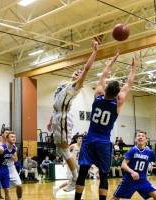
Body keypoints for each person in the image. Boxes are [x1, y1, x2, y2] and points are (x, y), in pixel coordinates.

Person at [75, 52, 137, 200]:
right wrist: (133, 67)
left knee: (82, 172)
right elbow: (129, 84)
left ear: (106, 89)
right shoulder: (118, 102)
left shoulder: (97, 96)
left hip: (89, 140)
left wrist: (113, 60)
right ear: (117, 94)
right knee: (103, 174)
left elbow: (103, 75)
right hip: (103, 142)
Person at [47, 38, 100, 192]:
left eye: (80, 74)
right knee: (59, 150)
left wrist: (94, 51)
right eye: (76, 72)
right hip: (57, 116)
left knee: (63, 150)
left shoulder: (75, 88)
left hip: (64, 118)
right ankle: (74, 177)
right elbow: (55, 101)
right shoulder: (62, 84)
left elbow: (86, 68)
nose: (78, 73)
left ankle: (75, 179)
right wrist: (51, 119)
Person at [111, 131, 156, 200]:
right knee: (115, 198)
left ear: (146, 140)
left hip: (142, 181)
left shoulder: (150, 152)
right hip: (129, 181)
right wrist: (132, 172)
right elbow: (123, 165)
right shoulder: (132, 150)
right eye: (138, 136)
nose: (140, 137)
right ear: (135, 139)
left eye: (142, 136)